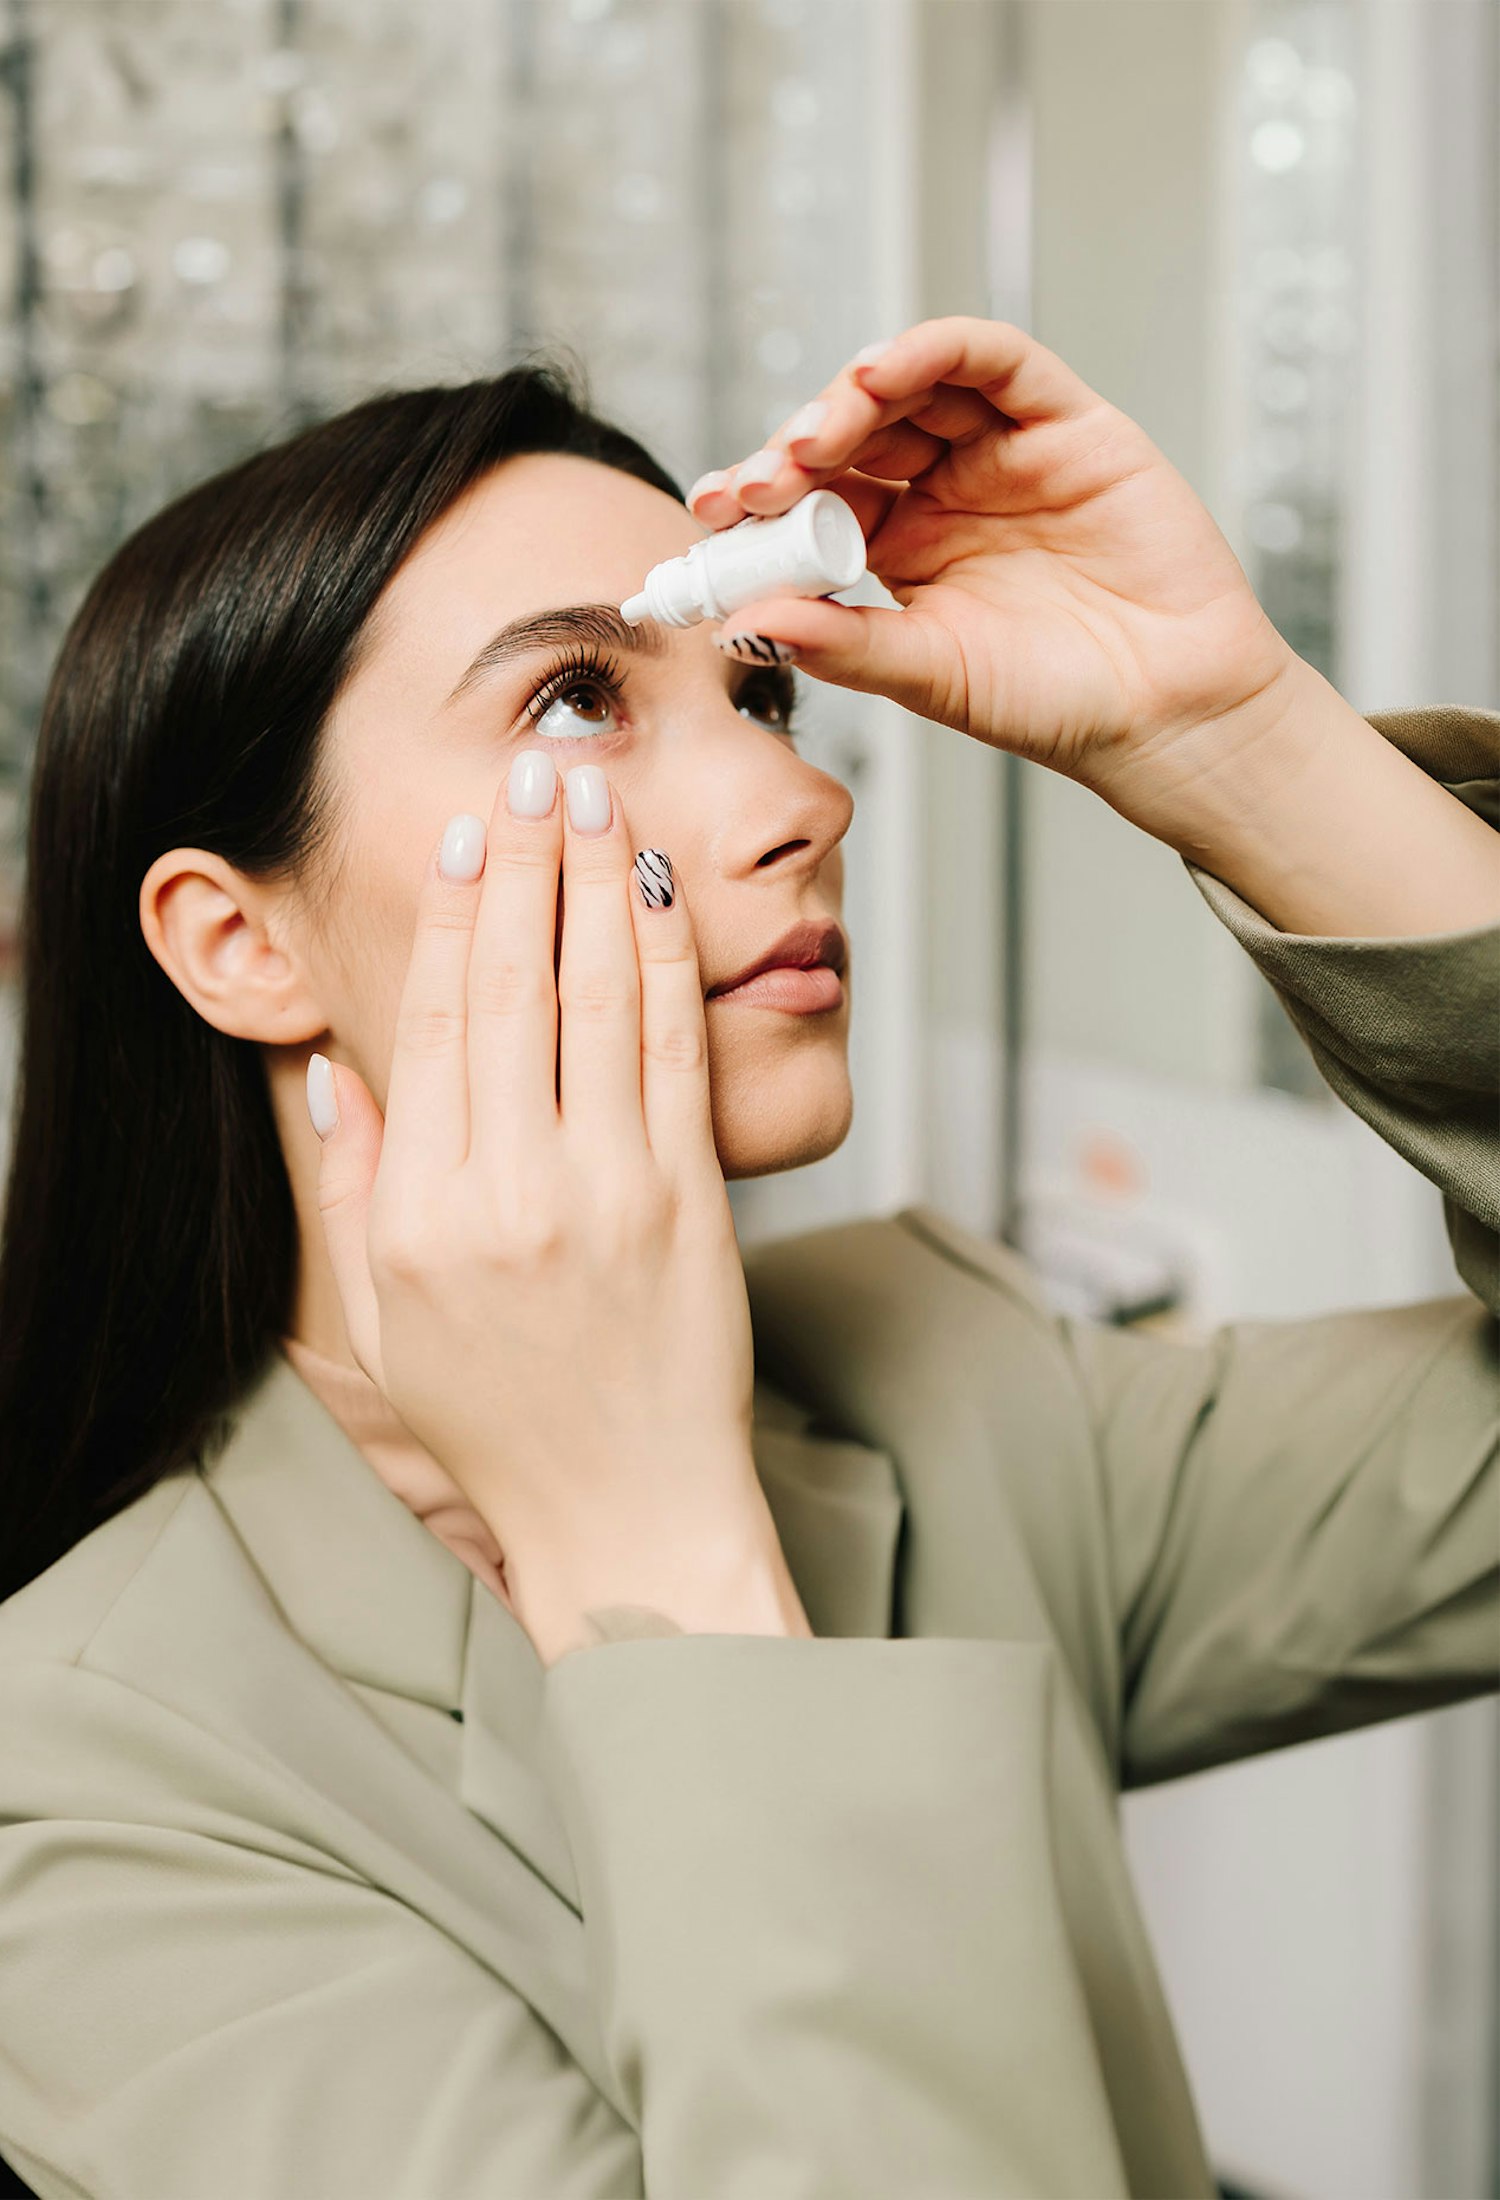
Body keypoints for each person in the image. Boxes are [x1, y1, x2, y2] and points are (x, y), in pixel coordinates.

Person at [0, 317, 1494, 2199]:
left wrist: (1237, 736)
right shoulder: (80, 1791)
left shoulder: (951, 1386)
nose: (807, 804)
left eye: (764, 696)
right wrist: (649, 1541)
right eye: (573, 702)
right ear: (237, 943)